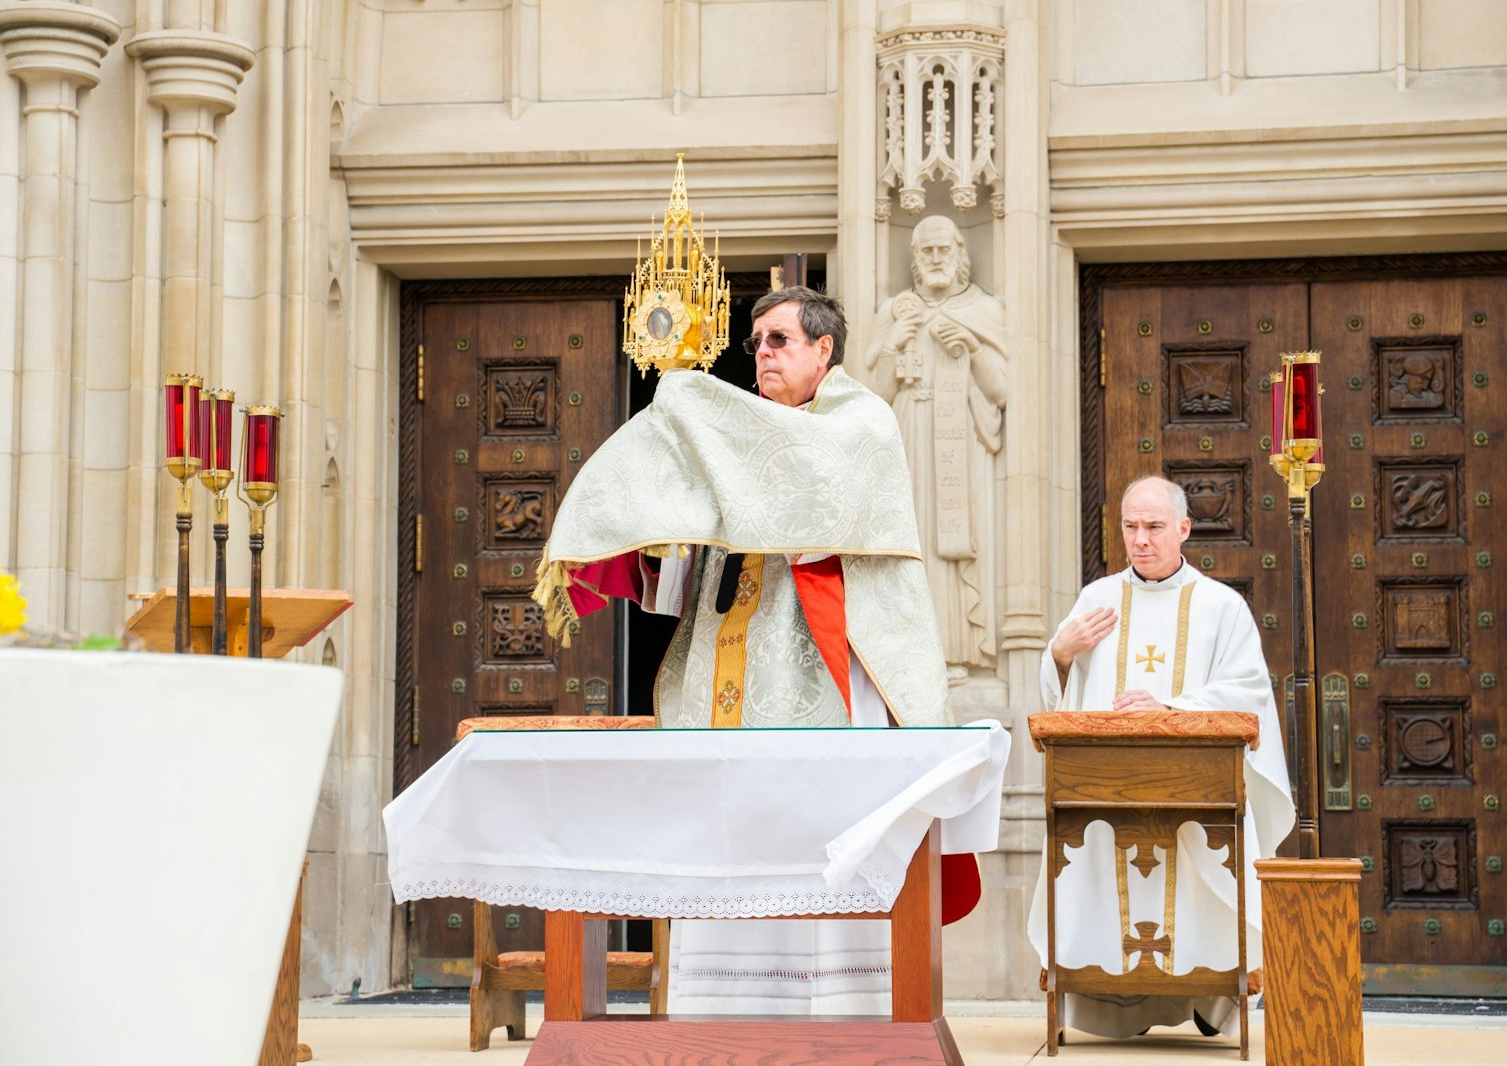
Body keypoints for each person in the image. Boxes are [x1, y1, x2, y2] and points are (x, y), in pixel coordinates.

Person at [534, 286, 966, 1015]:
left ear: (824, 349)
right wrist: (662, 522)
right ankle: (725, 1018)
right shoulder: (738, 434)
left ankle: (838, 1016)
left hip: (821, 675)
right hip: (723, 672)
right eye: (755, 343)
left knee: (814, 834)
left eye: (779, 340)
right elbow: (690, 566)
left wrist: (695, 410)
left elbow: (804, 491)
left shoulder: (862, 422)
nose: (761, 354)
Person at [1026, 476, 1294, 1041]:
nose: (1140, 540)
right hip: (1104, 789)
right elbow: (1058, 693)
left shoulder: (1220, 606)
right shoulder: (1097, 599)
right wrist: (1060, 653)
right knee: (1099, 879)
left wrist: (1170, 705)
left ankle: (1206, 995)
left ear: (1183, 530)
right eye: (1130, 527)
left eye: (1153, 527)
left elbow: (1248, 692)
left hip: (1197, 788)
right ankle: (1108, 999)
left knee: (1199, 889)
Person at [867, 216, 1008, 679]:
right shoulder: (895, 312)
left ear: (960, 254)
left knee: (954, 546)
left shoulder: (984, 309)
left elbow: (1002, 392)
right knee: (912, 541)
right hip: (905, 435)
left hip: (960, 446)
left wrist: (972, 345)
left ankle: (952, 652)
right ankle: (906, 652)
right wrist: (894, 342)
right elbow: (871, 399)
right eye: (925, 251)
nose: (934, 259)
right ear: (914, 259)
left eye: (942, 250)